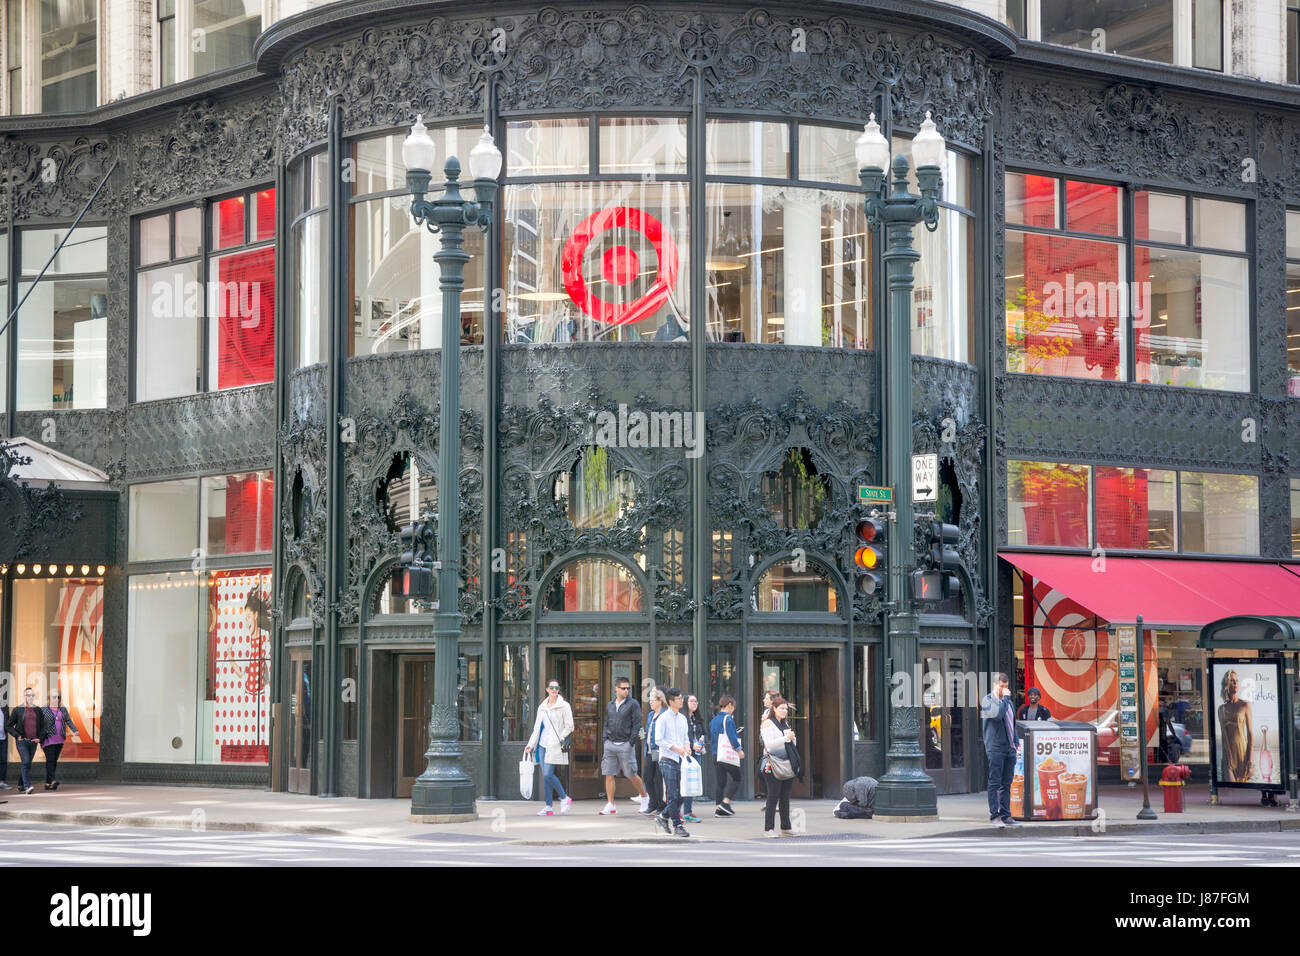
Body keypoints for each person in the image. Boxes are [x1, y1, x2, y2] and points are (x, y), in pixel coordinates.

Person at [524, 679, 574, 816]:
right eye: (551, 687)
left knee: (547, 774)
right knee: (546, 777)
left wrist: (561, 738)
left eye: (556, 687)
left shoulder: (564, 706)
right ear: (547, 689)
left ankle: (564, 798)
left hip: (555, 745)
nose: (554, 690)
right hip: (542, 745)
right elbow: (537, 728)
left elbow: (570, 726)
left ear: (559, 690)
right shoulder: (542, 707)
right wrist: (530, 745)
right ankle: (548, 806)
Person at [600, 676, 649, 815]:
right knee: (609, 774)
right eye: (623, 688)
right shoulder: (610, 705)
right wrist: (605, 739)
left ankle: (645, 797)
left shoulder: (633, 704)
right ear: (616, 688)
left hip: (626, 744)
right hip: (610, 743)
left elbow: (637, 724)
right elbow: (606, 723)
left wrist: (631, 742)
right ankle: (610, 804)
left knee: (631, 773)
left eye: (628, 688)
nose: (626, 690)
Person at [980, 673, 1019, 828]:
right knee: (995, 782)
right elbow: (997, 715)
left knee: (1007, 783)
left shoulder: (1009, 703)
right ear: (995, 685)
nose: (1004, 689)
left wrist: (1015, 741)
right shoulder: (988, 700)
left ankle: (1006, 814)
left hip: (1009, 747)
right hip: (995, 747)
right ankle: (995, 816)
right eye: (1001, 686)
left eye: (1006, 686)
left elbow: (1012, 723)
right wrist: (1006, 699)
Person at [760, 695, 801, 837]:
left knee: (785, 796)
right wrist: (785, 738)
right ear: (774, 708)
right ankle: (768, 829)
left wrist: (792, 738)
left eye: (786, 709)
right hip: (772, 763)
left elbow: (792, 744)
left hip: (786, 763)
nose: (784, 711)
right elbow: (769, 745)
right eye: (782, 708)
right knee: (773, 796)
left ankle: (786, 827)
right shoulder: (768, 723)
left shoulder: (785, 724)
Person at [654, 688, 691, 837]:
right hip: (667, 759)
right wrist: (676, 748)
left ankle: (663, 816)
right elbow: (658, 740)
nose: (682, 701)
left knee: (682, 793)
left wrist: (687, 747)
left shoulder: (682, 718)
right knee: (673, 794)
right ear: (671, 701)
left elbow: (685, 738)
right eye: (679, 699)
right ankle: (677, 825)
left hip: (681, 760)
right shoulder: (663, 718)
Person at [709, 695, 744, 817]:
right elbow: (732, 737)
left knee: (721, 782)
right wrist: (739, 750)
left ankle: (719, 807)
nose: (733, 709)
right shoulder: (728, 719)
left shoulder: (713, 720)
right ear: (729, 705)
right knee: (737, 778)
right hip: (726, 755)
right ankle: (725, 802)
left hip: (715, 754)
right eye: (733, 707)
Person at [1217, 669, 1253, 782]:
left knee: (1242, 788)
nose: (1235, 683)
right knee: (1231, 786)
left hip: (1242, 753)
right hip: (1228, 754)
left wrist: (1250, 761)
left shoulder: (1245, 705)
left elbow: (1250, 734)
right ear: (1227, 684)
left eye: (1237, 680)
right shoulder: (1221, 709)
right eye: (1232, 681)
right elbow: (1223, 735)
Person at [7, 688, 43, 795]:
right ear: (24, 696)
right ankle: (27, 786)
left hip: (33, 742)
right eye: (28, 695)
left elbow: (43, 727)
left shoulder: (38, 710)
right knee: (26, 761)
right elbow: (9, 726)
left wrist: (40, 738)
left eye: (32, 695)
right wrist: (17, 735)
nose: (30, 697)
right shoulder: (18, 710)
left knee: (26, 763)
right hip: (22, 741)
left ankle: (20, 784)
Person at [40, 691, 79, 791]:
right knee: (50, 760)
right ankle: (53, 780)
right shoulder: (44, 709)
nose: (56, 699)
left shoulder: (63, 709)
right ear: (49, 698)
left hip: (60, 739)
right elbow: (38, 723)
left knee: (54, 761)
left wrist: (75, 730)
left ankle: (48, 783)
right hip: (48, 739)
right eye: (54, 697)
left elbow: (68, 720)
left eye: (58, 697)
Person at [640, 686, 668, 814]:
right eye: (650, 700)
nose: (650, 702)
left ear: (660, 701)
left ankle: (661, 805)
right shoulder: (651, 714)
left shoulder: (665, 714)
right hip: (650, 750)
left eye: (652, 700)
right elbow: (649, 731)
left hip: (660, 750)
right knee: (647, 777)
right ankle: (653, 802)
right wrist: (644, 735)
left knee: (658, 778)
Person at [681, 693, 707, 822]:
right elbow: (681, 737)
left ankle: (688, 811)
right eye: (691, 701)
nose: (695, 703)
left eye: (696, 701)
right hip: (685, 754)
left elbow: (704, 734)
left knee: (691, 783)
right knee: (683, 782)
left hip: (697, 753)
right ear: (685, 703)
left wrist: (701, 743)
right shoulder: (682, 718)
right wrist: (692, 745)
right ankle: (675, 811)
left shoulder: (697, 719)